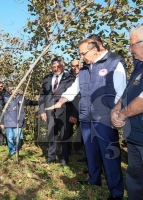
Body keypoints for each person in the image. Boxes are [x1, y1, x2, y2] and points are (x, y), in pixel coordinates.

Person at [46, 39, 126, 199]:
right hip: (86, 118)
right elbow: (73, 89)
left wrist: (116, 113)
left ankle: (116, 192)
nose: (81, 57)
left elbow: (122, 91)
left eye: (84, 53)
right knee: (91, 152)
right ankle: (94, 179)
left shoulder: (114, 63)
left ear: (95, 48)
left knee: (110, 155)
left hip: (105, 118)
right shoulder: (84, 70)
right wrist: (61, 101)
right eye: (80, 54)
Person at [111, 25, 143, 200]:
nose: (130, 49)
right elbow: (127, 93)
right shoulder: (139, 67)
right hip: (135, 137)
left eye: (133, 44)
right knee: (134, 180)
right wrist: (116, 110)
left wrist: (122, 115)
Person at [39, 57, 77, 166]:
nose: (56, 69)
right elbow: (42, 96)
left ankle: (64, 159)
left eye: (58, 66)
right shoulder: (47, 78)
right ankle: (51, 158)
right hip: (50, 111)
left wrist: (74, 114)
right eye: (53, 67)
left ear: (63, 66)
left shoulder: (70, 78)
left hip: (66, 112)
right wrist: (42, 111)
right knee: (52, 135)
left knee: (65, 136)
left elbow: (75, 97)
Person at [4, 87, 38, 158]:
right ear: (10, 91)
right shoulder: (5, 98)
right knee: (10, 137)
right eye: (14, 90)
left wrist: (39, 102)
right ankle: (12, 151)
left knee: (18, 137)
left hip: (18, 121)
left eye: (16, 90)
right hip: (8, 121)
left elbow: (30, 102)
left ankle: (16, 149)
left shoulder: (21, 98)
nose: (16, 91)